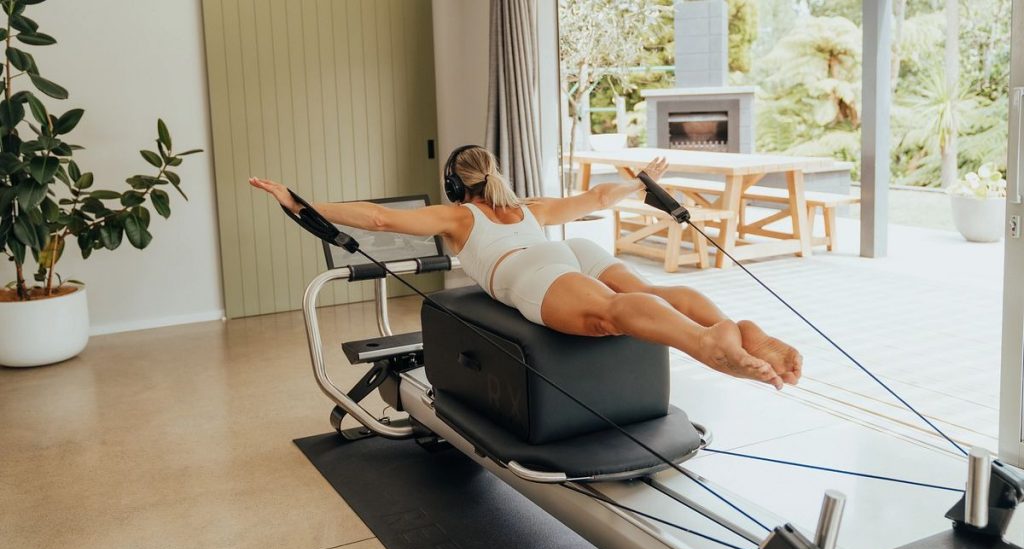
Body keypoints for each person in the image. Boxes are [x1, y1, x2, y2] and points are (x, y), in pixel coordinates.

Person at [250, 145, 801, 389]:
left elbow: (379, 219)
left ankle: (708, 345)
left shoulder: (459, 216)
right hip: (572, 251)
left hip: (529, 270)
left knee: (610, 313)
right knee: (648, 290)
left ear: (455, 183)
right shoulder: (530, 207)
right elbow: (598, 198)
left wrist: (301, 203)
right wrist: (640, 184)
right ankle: (736, 330)